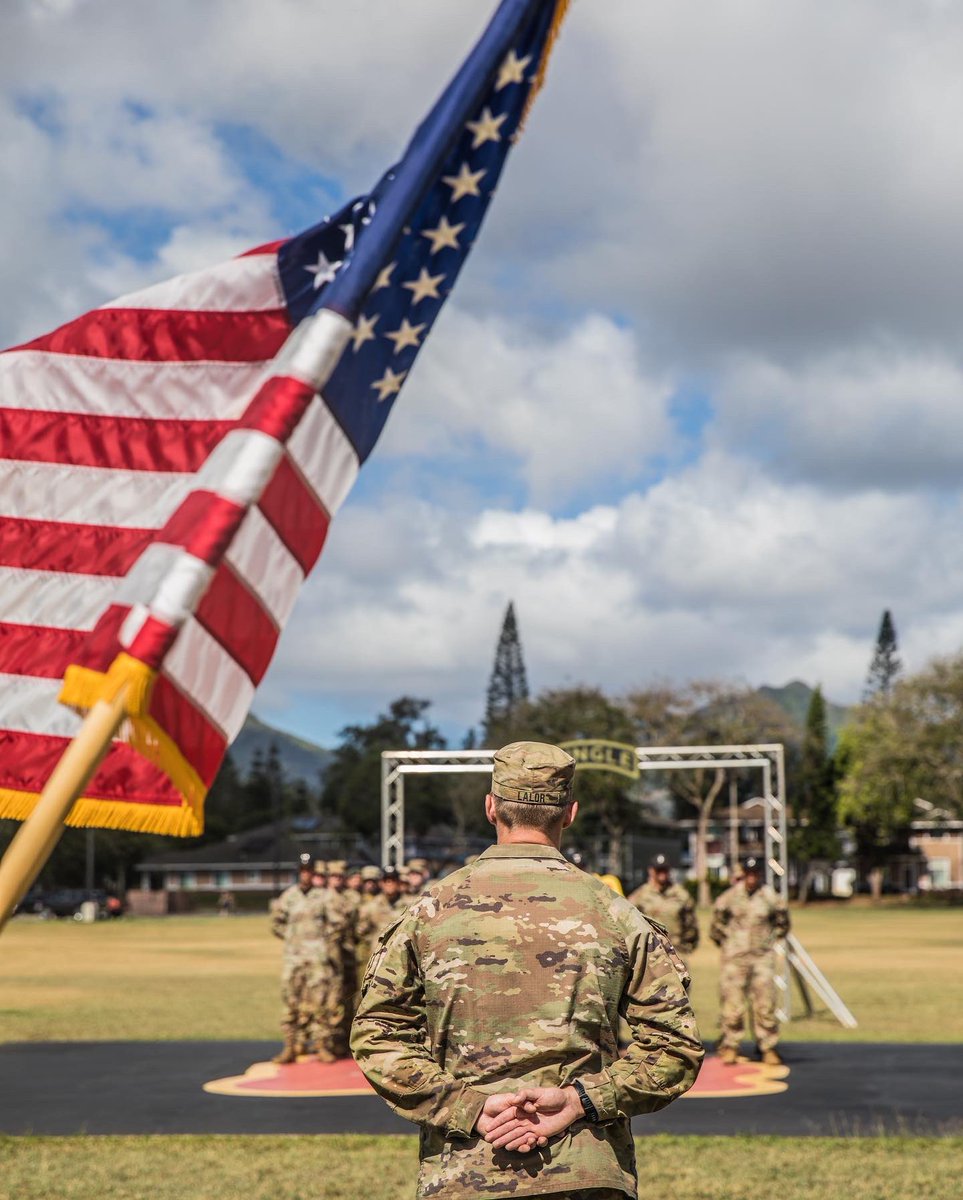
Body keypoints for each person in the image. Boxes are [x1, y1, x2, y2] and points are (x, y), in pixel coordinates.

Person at [352, 741, 704, 1200]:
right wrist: (582, 1101)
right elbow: (674, 1047)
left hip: (466, 1172)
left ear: (490, 807)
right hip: (586, 1171)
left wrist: (470, 1109)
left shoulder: (429, 911)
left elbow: (378, 1035)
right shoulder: (616, 914)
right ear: (570, 813)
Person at [710, 855, 790, 1066]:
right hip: (735, 960)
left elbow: (782, 923)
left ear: (760, 875)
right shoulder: (729, 897)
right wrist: (729, 945)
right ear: (743, 874)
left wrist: (769, 940)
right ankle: (731, 1045)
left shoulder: (771, 897)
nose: (752, 878)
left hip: (762, 957)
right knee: (733, 1004)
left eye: (755, 874)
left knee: (765, 1003)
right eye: (748, 874)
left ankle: (767, 1046)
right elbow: (716, 925)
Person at [270, 852, 338, 1064]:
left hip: (317, 957)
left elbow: (337, 923)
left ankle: (321, 1046)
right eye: (302, 871)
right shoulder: (289, 896)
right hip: (294, 958)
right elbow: (276, 923)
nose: (306, 875)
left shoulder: (324, 896)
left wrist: (321, 941)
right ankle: (291, 1045)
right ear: (298, 873)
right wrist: (293, 939)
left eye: (309, 871)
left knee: (320, 1003)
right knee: (291, 1002)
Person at [626, 854, 699, 964]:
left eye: (665, 870)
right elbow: (626, 921)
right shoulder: (640, 896)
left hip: (676, 954)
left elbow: (691, 925)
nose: (662, 873)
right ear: (651, 871)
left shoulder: (681, 895)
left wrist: (685, 947)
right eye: (658, 870)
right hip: (649, 956)